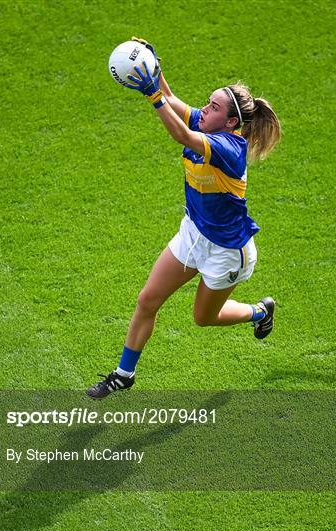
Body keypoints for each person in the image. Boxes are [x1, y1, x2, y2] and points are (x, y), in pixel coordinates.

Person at [86, 38, 281, 399]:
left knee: (203, 318)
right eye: (207, 102)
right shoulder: (209, 125)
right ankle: (124, 374)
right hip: (193, 232)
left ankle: (258, 311)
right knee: (148, 299)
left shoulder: (227, 147)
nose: (204, 109)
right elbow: (175, 104)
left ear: (231, 122)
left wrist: (151, 95)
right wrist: (153, 68)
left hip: (227, 251)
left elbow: (179, 131)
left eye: (213, 107)